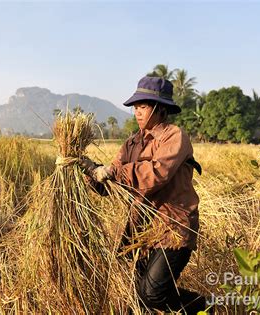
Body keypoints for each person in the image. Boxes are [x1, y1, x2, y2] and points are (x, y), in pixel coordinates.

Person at [80, 76, 207, 313]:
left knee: (152, 294)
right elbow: (111, 185)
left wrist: (111, 172)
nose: (137, 112)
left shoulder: (174, 136)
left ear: (160, 109)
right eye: (135, 108)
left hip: (173, 228)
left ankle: (203, 306)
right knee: (133, 296)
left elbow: (155, 173)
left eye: (143, 107)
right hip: (140, 230)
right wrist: (88, 170)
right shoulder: (131, 143)